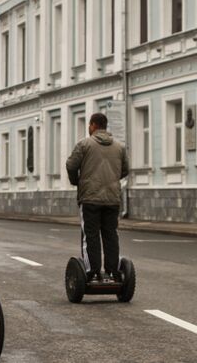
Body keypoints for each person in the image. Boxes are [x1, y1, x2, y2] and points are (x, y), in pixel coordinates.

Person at [66, 113, 129, 281]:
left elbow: (71, 165)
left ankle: (92, 272)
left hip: (90, 198)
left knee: (90, 235)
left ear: (93, 125)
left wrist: (77, 181)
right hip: (112, 199)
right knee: (111, 235)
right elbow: (125, 170)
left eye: (89, 125)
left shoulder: (84, 144)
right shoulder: (119, 147)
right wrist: (111, 180)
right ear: (105, 126)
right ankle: (112, 272)